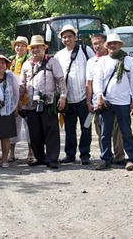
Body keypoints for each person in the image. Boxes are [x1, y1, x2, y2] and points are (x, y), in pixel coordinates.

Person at [20, 35, 67, 169]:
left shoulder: (52, 62)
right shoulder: (26, 64)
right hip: (31, 104)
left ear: (43, 48)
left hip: (49, 102)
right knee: (35, 132)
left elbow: (60, 80)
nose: (35, 50)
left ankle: (52, 158)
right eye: (33, 48)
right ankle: (40, 157)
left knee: (51, 131)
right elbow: (22, 84)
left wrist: (63, 96)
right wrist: (19, 101)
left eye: (38, 47)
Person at [94, 33, 133, 171]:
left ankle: (131, 159)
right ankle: (105, 159)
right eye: (110, 44)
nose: (112, 46)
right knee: (105, 133)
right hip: (107, 101)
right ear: (106, 46)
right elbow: (98, 80)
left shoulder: (129, 61)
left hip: (124, 102)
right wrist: (99, 95)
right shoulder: (102, 61)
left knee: (126, 132)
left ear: (120, 45)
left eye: (115, 43)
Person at [54, 24, 95, 165]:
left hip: (84, 97)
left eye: (70, 36)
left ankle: (85, 154)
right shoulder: (58, 56)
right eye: (64, 37)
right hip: (68, 98)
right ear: (61, 39)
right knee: (69, 128)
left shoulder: (85, 50)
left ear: (75, 37)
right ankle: (70, 154)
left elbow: (94, 68)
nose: (67, 39)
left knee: (86, 126)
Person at [87, 34, 125, 165]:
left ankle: (119, 156)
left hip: (116, 100)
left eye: (100, 43)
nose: (97, 46)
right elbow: (89, 83)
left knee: (117, 129)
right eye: (94, 44)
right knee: (101, 130)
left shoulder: (118, 59)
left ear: (106, 43)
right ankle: (106, 156)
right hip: (98, 101)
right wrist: (88, 101)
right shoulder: (91, 62)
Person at [8, 36, 34, 163]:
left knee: (29, 126)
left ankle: (31, 152)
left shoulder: (30, 61)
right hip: (13, 98)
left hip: (26, 96)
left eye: (22, 45)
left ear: (26, 48)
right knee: (13, 125)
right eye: (17, 45)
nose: (19, 48)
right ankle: (11, 152)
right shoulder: (11, 61)